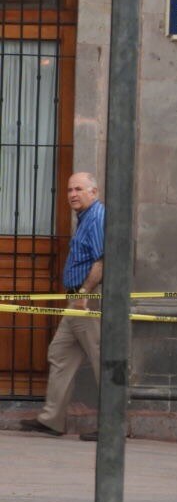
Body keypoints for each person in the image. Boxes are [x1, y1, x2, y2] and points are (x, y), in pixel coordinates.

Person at [20, 172, 105, 440]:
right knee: (60, 353)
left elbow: (102, 262)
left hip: (87, 299)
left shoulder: (97, 218)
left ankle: (111, 425)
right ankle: (52, 420)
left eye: (79, 189)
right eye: (69, 190)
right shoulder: (85, 218)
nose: (72, 194)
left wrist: (83, 294)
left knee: (102, 358)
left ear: (94, 191)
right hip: (75, 300)